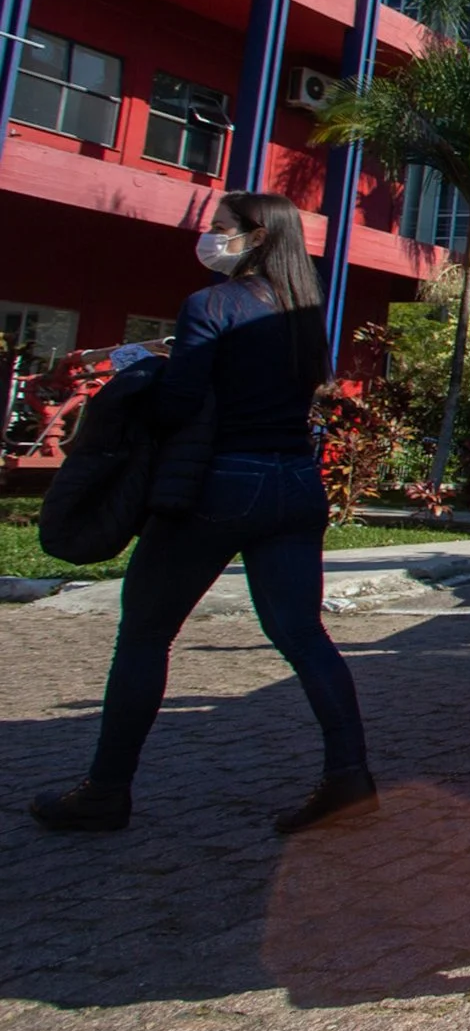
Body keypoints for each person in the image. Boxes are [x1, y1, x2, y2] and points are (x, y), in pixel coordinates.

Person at [29, 192, 378, 834]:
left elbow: (178, 404)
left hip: (221, 483)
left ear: (257, 237)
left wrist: (142, 373)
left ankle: (105, 790)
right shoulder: (302, 311)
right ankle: (349, 775)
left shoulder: (211, 304)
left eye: (220, 227)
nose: (208, 235)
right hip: (295, 482)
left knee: (145, 633)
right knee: (303, 636)